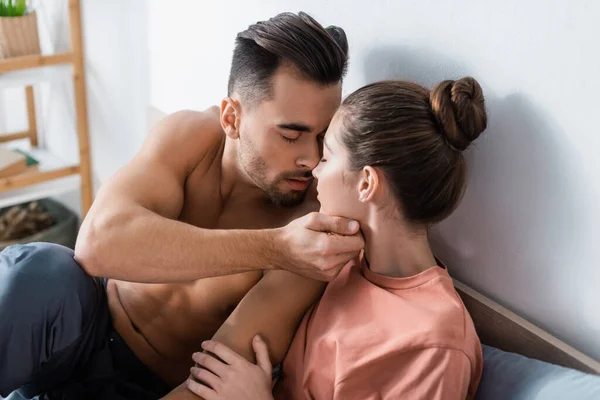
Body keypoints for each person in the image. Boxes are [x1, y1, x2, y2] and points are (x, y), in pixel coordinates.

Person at [0, 12, 364, 400]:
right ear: (231, 117)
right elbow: (96, 245)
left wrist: (290, 251)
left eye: (323, 137)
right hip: (83, 325)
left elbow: (216, 378)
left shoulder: (312, 226)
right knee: (42, 271)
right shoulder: (191, 136)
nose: (311, 158)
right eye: (292, 134)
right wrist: (276, 247)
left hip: (148, 388)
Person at [183, 77, 488, 400]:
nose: (314, 169)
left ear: (366, 184)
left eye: (326, 157)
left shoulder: (436, 343)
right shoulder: (338, 264)